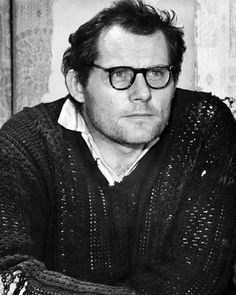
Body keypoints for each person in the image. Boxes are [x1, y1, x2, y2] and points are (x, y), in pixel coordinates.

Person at [0, 0, 235, 294]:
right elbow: (10, 277)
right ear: (77, 84)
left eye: (157, 73)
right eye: (120, 74)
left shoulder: (203, 125)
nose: (143, 93)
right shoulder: (25, 143)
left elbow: (197, 282)